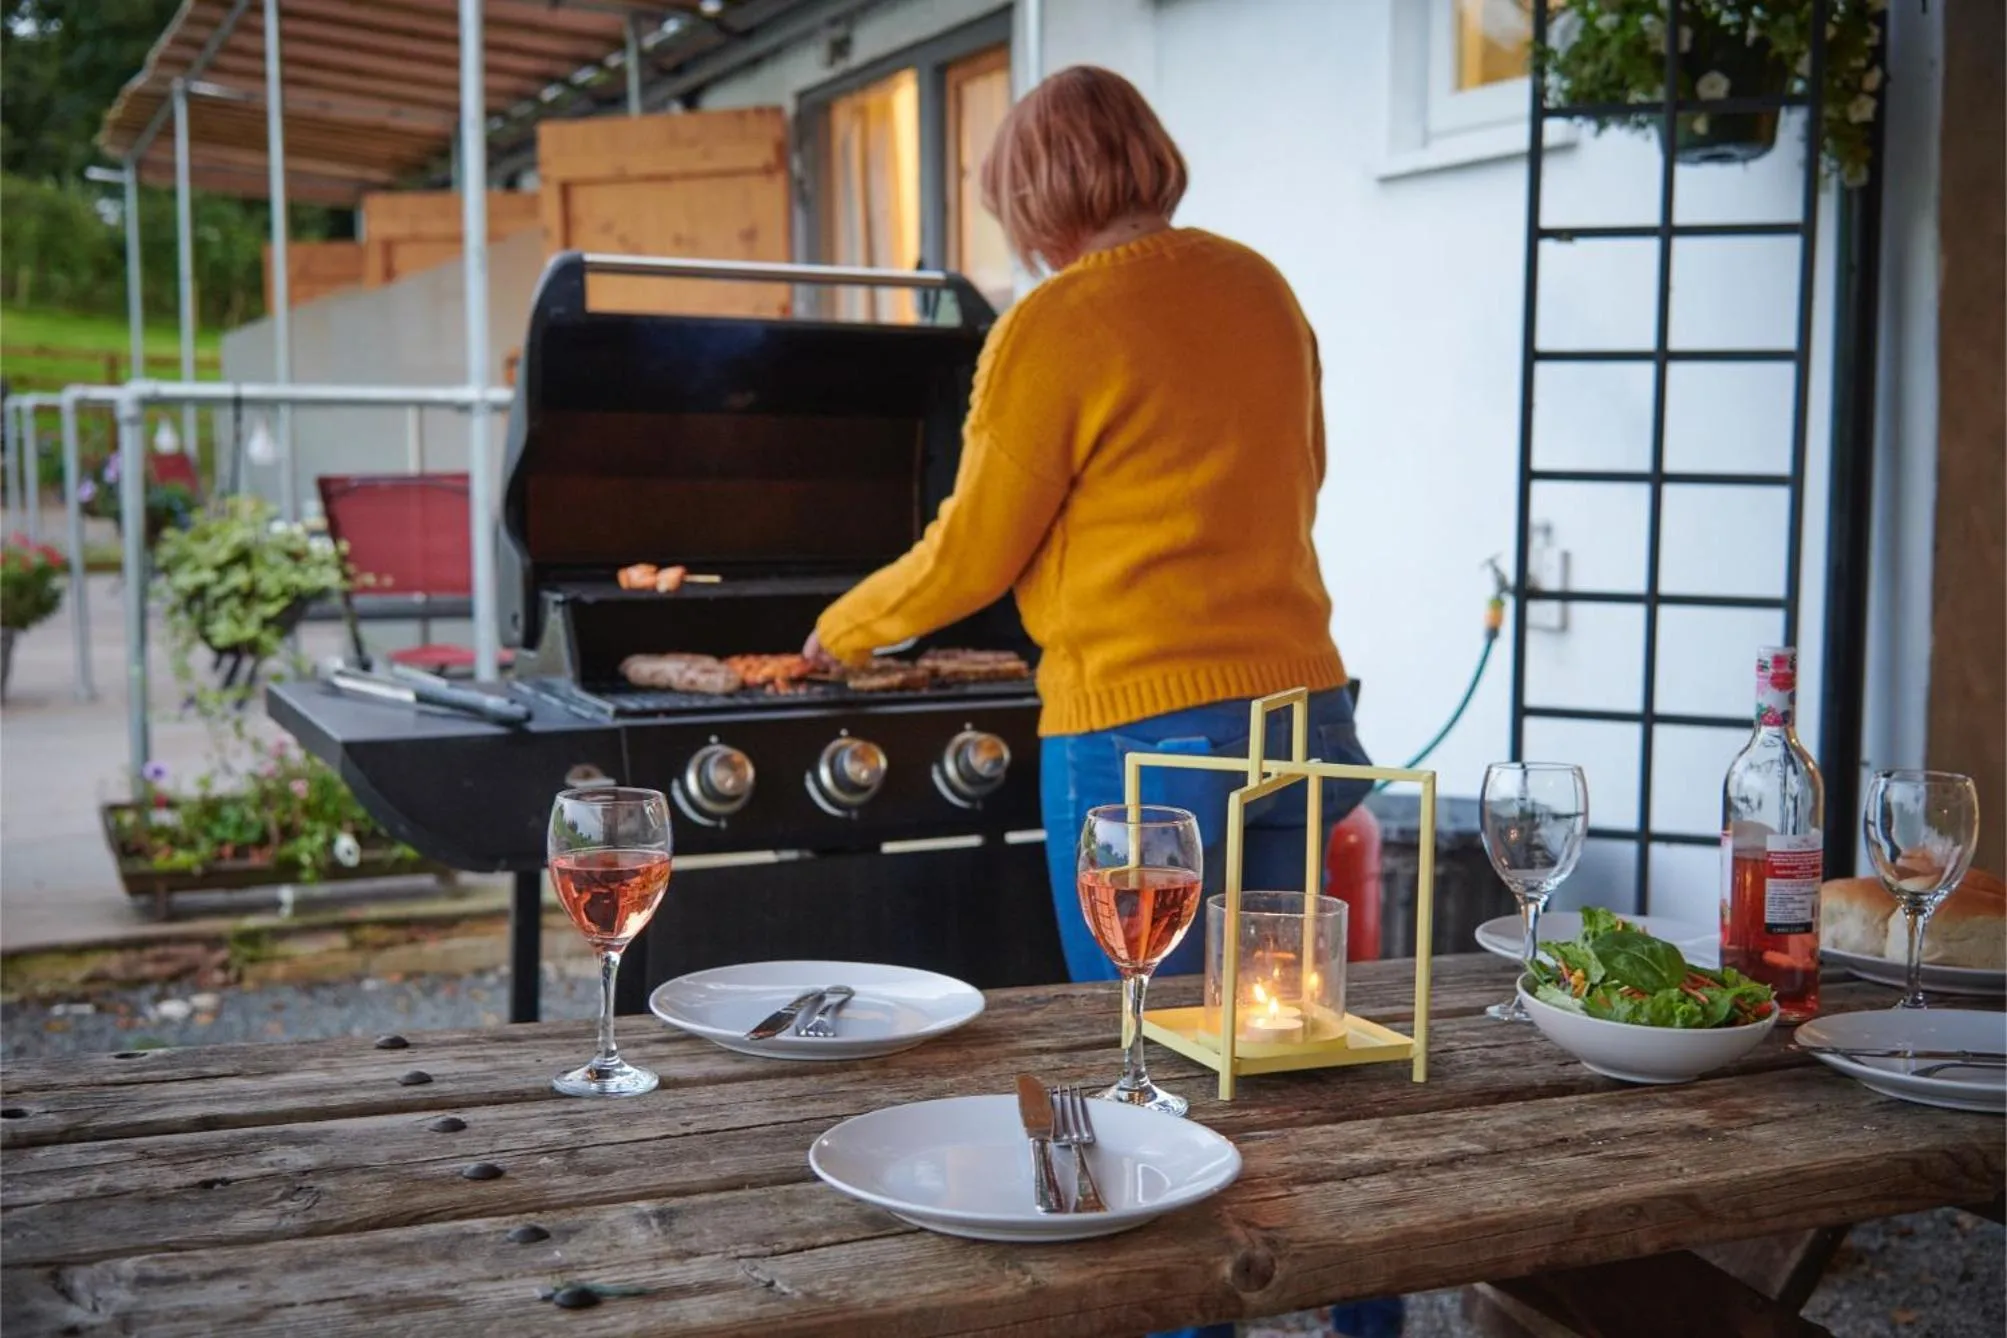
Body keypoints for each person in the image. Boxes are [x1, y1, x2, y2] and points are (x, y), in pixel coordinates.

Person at [807, 67, 1398, 1337]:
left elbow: (973, 552)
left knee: (1146, 1081)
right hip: (1305, 717)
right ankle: (1367, 1317)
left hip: (1144, 735)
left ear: (1034, 193)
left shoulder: (1057, 321)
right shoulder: (1262, 288)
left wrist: (840, 629)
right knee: (1290, 1061)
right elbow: (1303, 476)